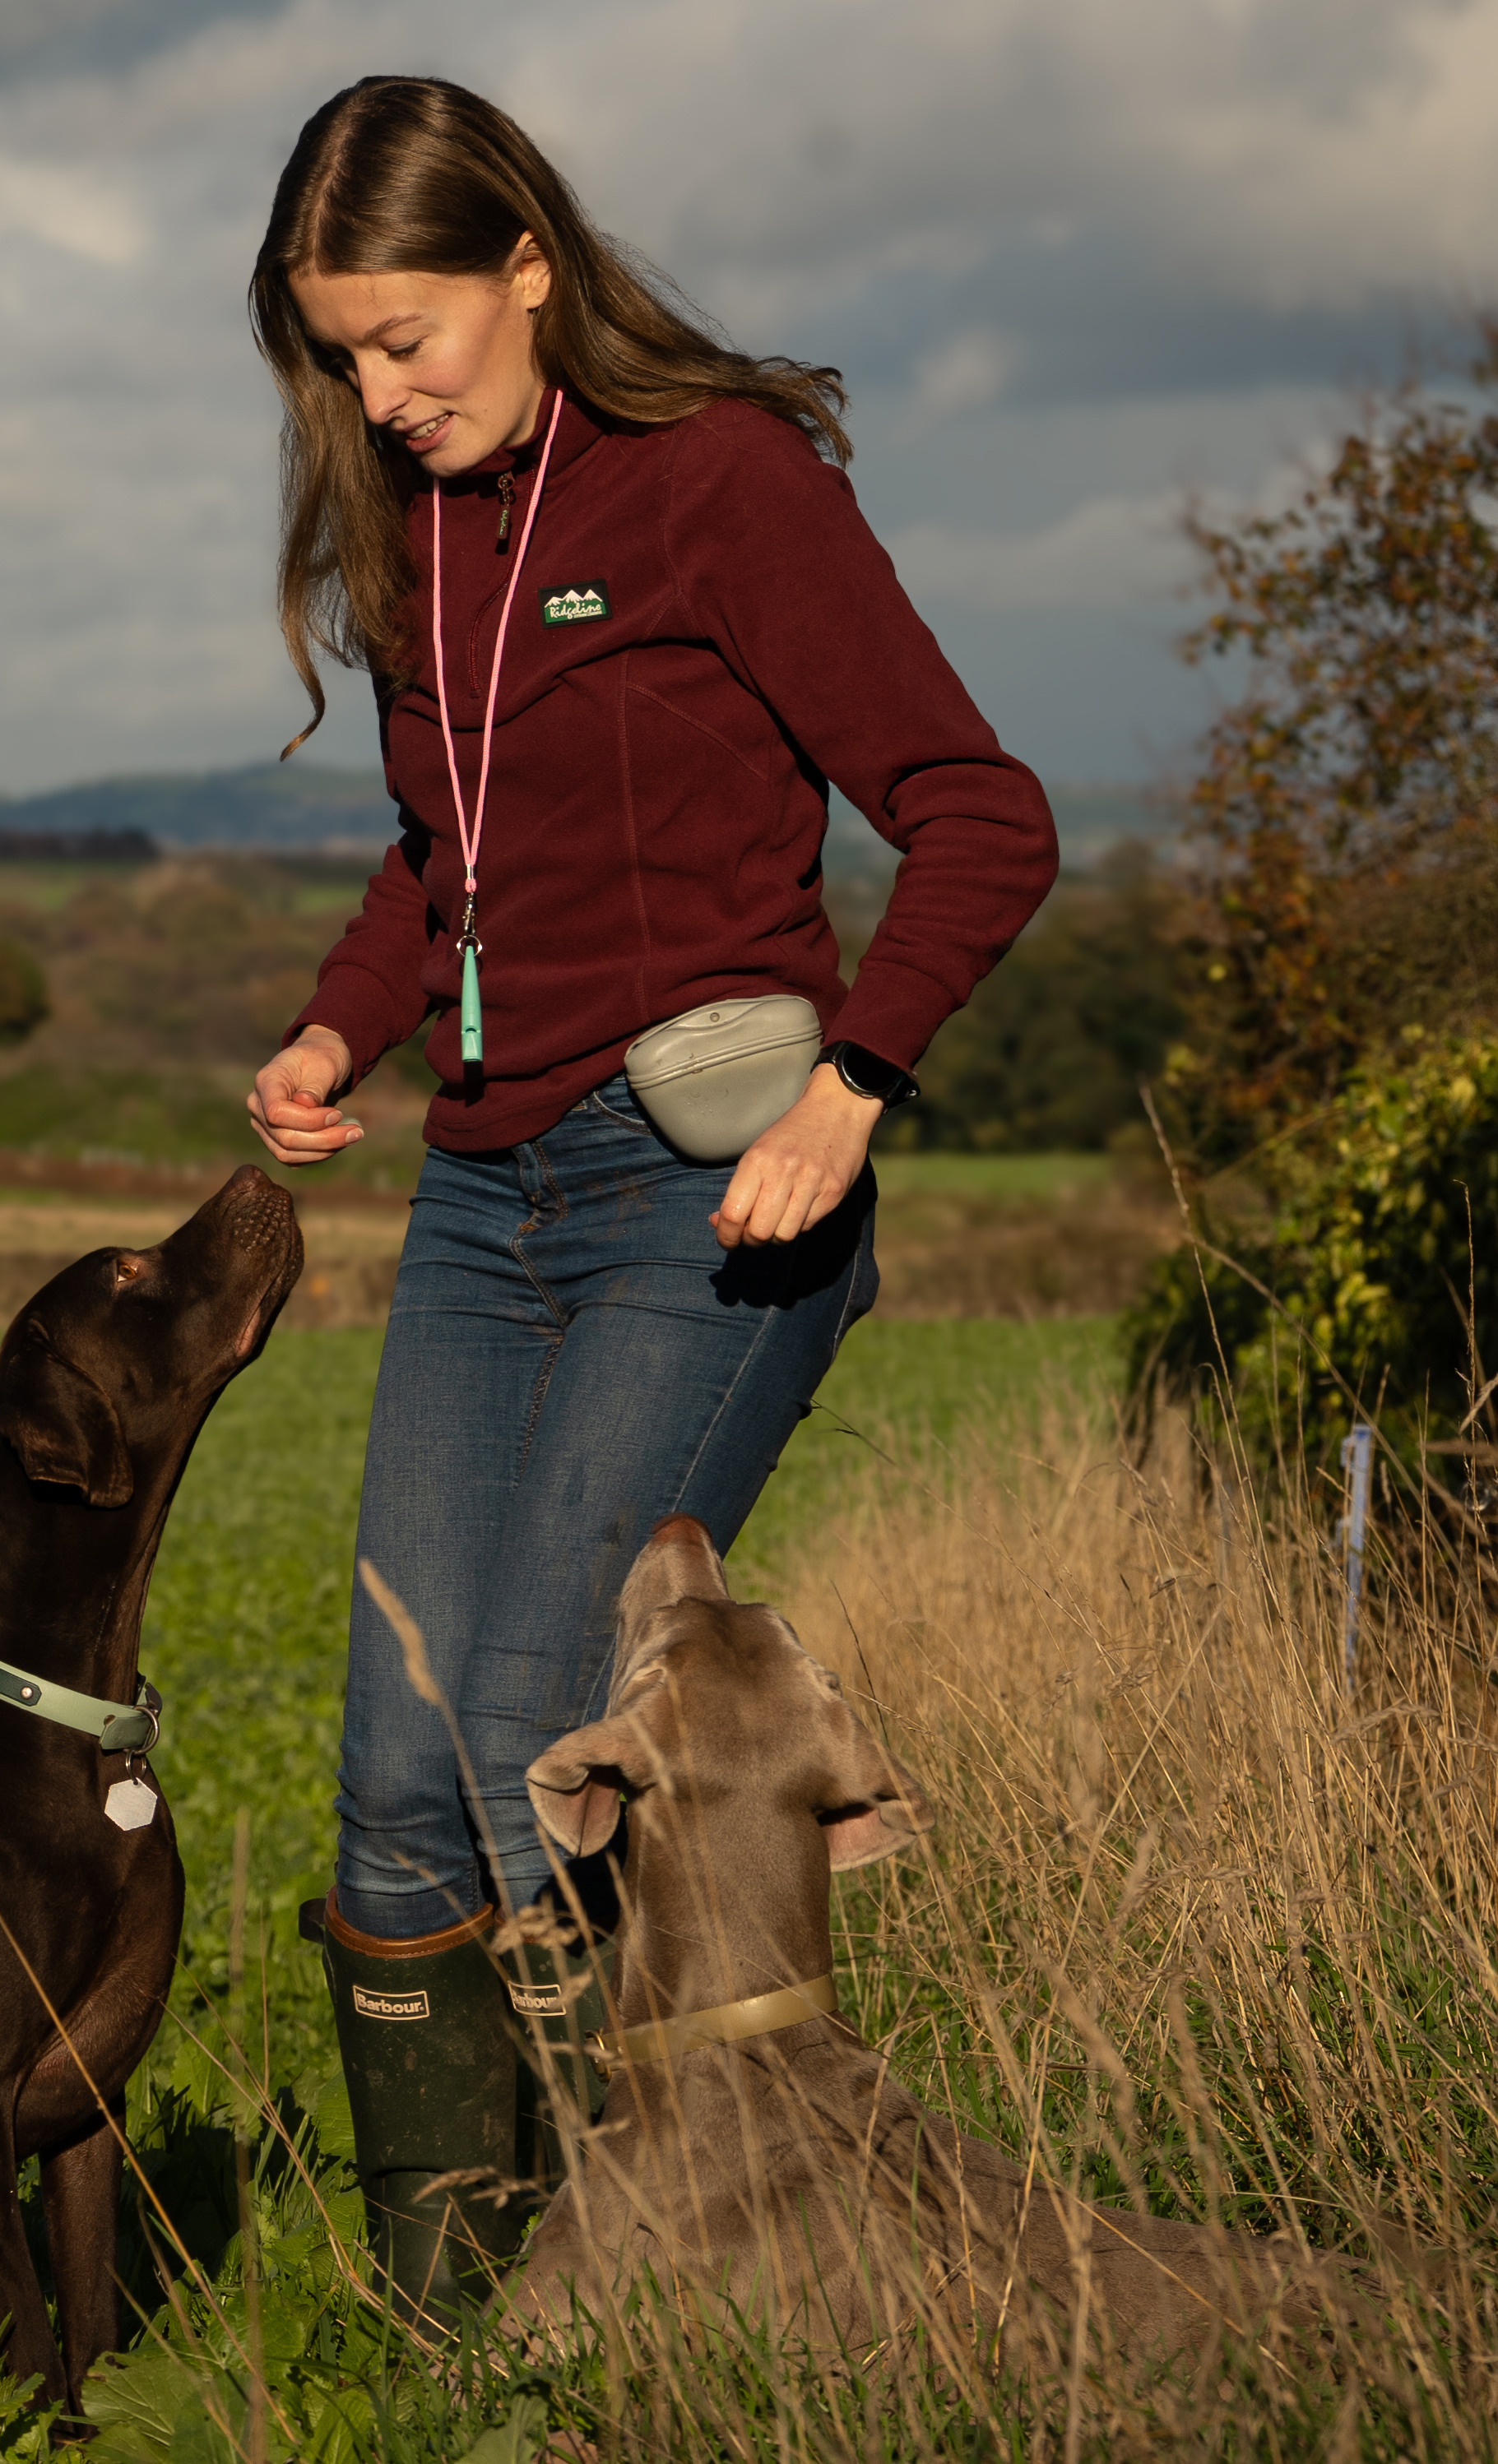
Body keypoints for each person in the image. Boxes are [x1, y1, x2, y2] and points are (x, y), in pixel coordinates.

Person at [242, 76, 1059, 2316]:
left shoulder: (720, 488)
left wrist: (860, 1078)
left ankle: (679, 2276)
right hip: (484, 1207)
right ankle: (454, 2336)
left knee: (532, 1740)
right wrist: (342, 1027)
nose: (377, 394)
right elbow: (448, 866)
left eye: (405, 336)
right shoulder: (418, 542)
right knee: (399, 1778)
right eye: (338, 355)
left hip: (706, 1208)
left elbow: (982, 812)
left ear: (527, 262)